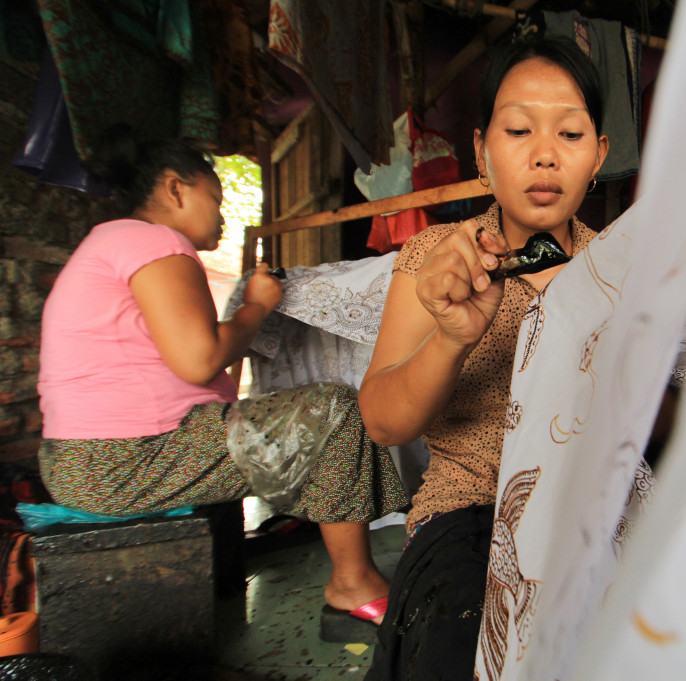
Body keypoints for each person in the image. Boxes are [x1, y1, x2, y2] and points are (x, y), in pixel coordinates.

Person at [36, 128, 407, 626]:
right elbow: (199, 359)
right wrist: (256, 306)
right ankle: (352, 584)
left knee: (303, 419)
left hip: (89, 459)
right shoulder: (153, 241)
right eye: (216, 197)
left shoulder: (112, 242)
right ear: (175, 189)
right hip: (120, 459)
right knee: (334, 412)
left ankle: (342, 562)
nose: (223, 213)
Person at [359, 36, 609, 679]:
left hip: (594, 510)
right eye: (519, 129)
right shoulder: (437, 259)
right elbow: (384, 423)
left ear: (599, 155)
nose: (545, 155)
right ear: (481, 151)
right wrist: (450, 337)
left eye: (571, 134)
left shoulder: (617, 267)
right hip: (469, 514)